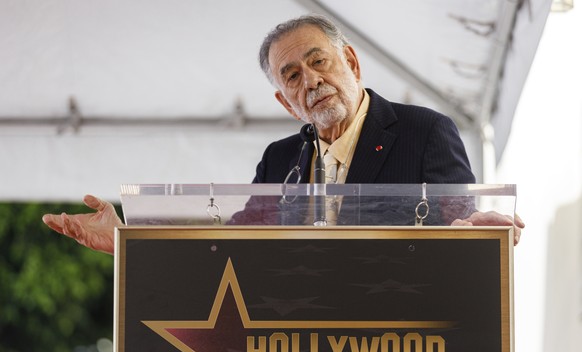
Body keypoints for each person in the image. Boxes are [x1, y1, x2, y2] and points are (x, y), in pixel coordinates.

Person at [42, 14, 524, 253]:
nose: (310, 80)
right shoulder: (279, 161)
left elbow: (460, 227)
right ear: (284, 101)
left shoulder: (425, 131)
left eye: (319, 61)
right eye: (291, 76)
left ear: (351, 62)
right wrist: (127, 239)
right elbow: (227, 247)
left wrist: (477, 238)